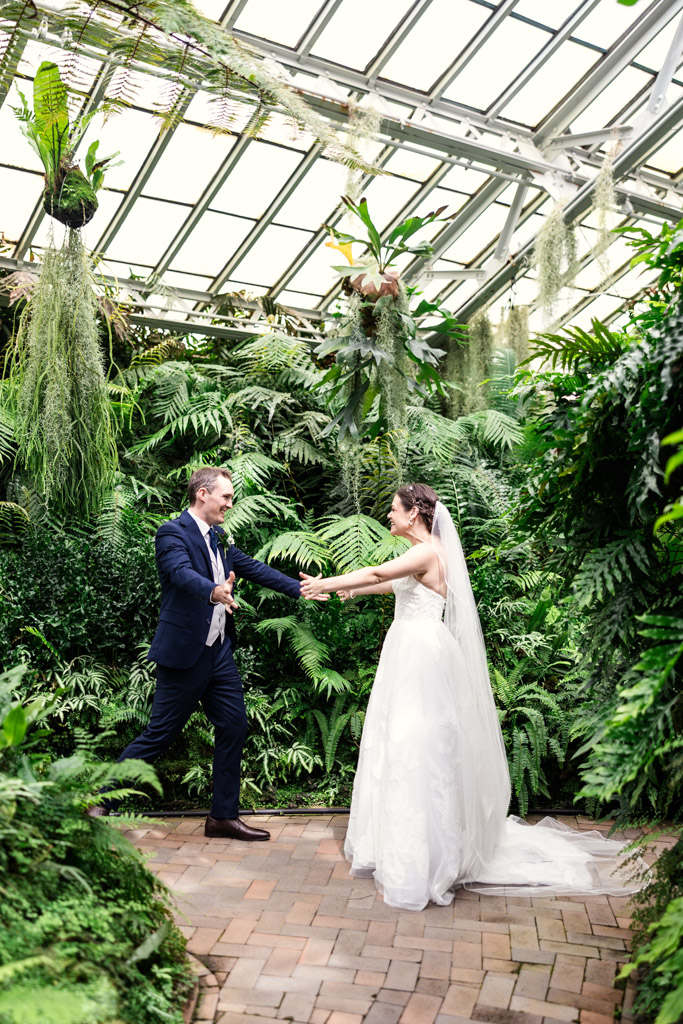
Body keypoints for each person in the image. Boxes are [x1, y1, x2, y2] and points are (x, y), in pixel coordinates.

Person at [300, 483, 644, 910]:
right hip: (414, 646)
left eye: (393, 510)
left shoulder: (426, 550)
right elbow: (392, 585)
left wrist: (325, 583)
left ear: (415, 514)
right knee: (406, 740)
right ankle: (410, 842)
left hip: (418, 653)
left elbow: (377, 572)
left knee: (415, 741)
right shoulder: (426, 554)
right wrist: (351, 590)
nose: (388, 516)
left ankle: (424, 856)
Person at [96, 466, 326, 841]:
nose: (230, 504)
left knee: (234, 724)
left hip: (219, 653)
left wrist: (299, 589)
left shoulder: (220, 536)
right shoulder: (172, 532)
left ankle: (222, 817)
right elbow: (179, 573)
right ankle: (103, 802)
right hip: (185, 653)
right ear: (203, 494)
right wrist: (213, 591)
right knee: (159, 734)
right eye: (226, 497)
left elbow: (250, 568)